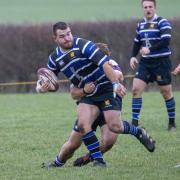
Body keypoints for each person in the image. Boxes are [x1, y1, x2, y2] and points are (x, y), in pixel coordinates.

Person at [41, 21, 155, 167]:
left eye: (69, 34)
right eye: (62, 36)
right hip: (89, 96)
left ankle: (138, 132)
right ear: (55, 38)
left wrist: (115, 83)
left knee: (114, 128)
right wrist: (46, 88)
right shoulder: (54, 59)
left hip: (106, 90)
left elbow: (106, 66)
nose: (67, 38)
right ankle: (96, 161)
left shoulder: (84, 45)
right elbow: (56, 85)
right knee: (80, 130)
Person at [40, 43, 125, 168]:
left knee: (109, 142)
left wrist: (112, 80)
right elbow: (74, 94)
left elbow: (118, 75)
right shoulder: (82, 68)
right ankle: (56, 163)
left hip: (108, 106)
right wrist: (85, 90)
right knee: (73, 144)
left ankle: (91, 158)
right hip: (90, 108)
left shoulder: (110, 63)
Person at [129, 0, 176, 131]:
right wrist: (133, 56)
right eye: (145, 7)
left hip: (161, 62)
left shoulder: (162, 22)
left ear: (154, 8)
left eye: (150, 6)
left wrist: (150, 49)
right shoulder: (141, 24)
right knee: (135, 89)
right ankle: (134, 124)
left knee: (166, 93)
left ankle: (172, 123)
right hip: (145, 63)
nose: (148, 9)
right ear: (142, 9)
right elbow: (137, 42)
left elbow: (165, 41)